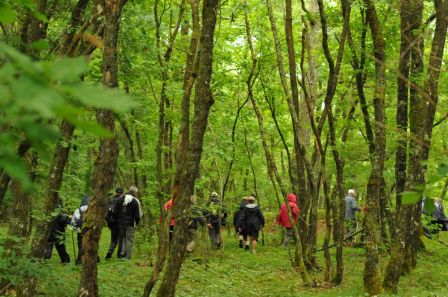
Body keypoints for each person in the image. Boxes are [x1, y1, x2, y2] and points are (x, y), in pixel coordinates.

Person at [117, 186, 142, 259]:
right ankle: (128, 257)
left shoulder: (121, 199)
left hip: (121, 223)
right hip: (130, 223)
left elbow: (117, 210)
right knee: (129, 240)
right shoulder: (135, 201)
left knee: (124, 238)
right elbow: (137, 215)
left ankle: (123, 253)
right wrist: (136, 223)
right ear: (134, 193)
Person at [70, 194, 90, 265]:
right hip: (90, 231)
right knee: (91, 245)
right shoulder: (92, 209)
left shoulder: (77, 210)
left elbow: (73, 222)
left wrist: (74, 227)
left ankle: (79, 260)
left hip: (80, 231)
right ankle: (94, 259)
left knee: (81, 246)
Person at [105, 187, 124, 260]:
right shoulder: (123, 200)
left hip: (112, 223)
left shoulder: (111, 200)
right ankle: (119, 255)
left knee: (113, 240)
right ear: (122, 192)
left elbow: (107, 212)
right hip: (120, 223)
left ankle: (110, 251)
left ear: (116, 192)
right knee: (121, 240)